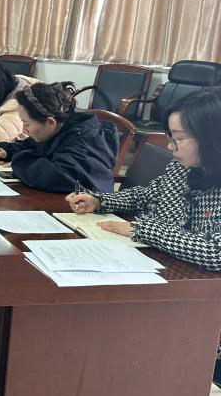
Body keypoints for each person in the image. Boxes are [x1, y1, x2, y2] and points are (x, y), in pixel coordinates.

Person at [65, 87, 221, 270]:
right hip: (162, 263)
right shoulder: (183, 167)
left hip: (199, 281)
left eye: (179, 138)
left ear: (213, 138)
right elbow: (147, 196)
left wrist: (143, 230)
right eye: (170, 136)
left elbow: (216, 253)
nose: (170, 146)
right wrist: (99, 201)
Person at [0, 81, 119, 193]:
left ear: (50, 122)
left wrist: (19, 159)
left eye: (26, 124)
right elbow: (34, 144)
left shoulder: (85, 140)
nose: (23, 129)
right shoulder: (62, 128)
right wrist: (9, 150)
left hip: (85, 211)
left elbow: (55, 175)